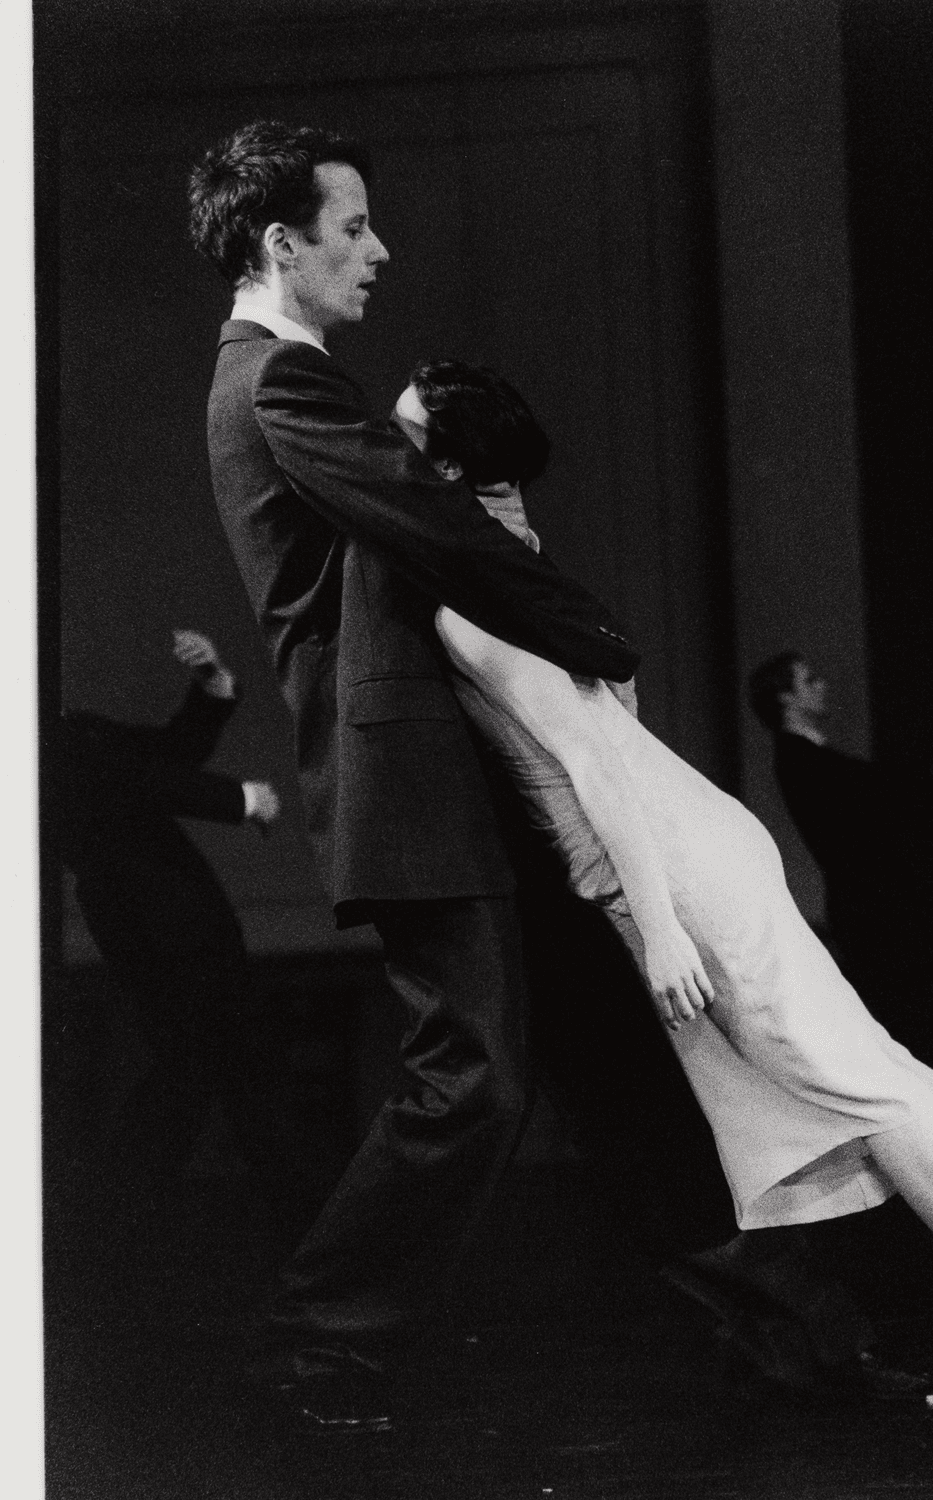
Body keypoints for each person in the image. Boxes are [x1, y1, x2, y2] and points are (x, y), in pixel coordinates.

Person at [392, 359, 933, 1409]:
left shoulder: (472, 591)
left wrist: (661, 925)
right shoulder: (517, 555)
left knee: (852, 1082)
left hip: (669, 865)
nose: (379, 445)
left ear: (444, 465)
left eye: (399, 435)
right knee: (881, 1068)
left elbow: (591, 760)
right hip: (695, 841)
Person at [188, 120, 639, 1430]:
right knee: (477, 1076)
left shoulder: (280, 378)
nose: (377, 251)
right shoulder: (280, 384)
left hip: (436, 778)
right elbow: (435, 524)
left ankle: (795, 1334)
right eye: (352, 228)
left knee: (589, 1054)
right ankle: (317, 1341)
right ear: (283, 243)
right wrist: (594, 634)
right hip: (406, 788)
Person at [746, 653, 933, 1136]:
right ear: (785, 697)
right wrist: (927, 776)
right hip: (887, 925)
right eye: (810, 679)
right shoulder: (801, 758)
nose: (823, 685)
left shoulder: (810, 759)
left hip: (886, 921)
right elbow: (874, 796)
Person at [58, 629, 282, 1179]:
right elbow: (139, 781)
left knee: (206, 1066)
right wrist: (242, 801)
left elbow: (165, 755)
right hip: (152, 918)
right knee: (206, 1066)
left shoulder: (68, 730)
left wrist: (209, 683)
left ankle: (122, 1210)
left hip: (167, 914)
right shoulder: (37, 736)